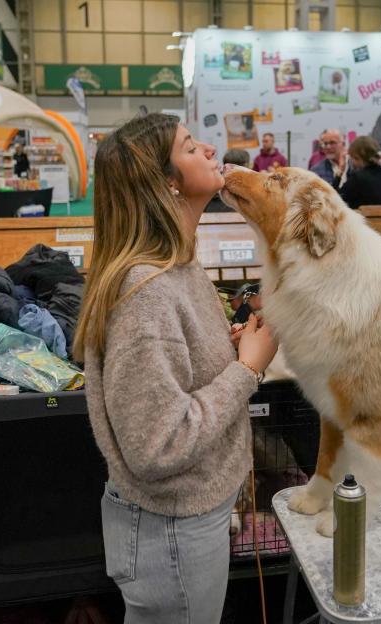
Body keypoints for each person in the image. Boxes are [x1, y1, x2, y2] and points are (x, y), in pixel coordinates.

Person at [74, 113, 279, 623]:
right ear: (166, 181)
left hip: (185, 524)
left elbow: (175, 374)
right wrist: (246, 370)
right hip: (171, 532)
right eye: (191, 147)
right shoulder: (146, 291)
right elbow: (157, 444)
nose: (210, 149)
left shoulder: (176, 265)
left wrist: (226, 350)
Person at [339, 136, 381, 209]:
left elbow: (335, 198)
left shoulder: (358, 178)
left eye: (351, 157)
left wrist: (339, 173)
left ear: (357, 157)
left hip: (362, 220)